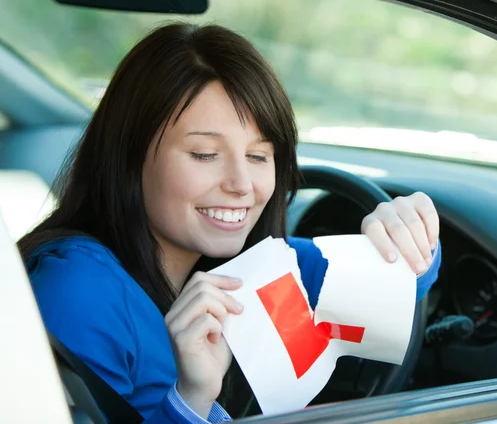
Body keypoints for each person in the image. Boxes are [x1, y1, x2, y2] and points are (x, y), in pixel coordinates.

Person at [19, 23, 442, 424]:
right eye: (205, 155)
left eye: (259, 157)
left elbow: (392, 281)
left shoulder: (246, 268)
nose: (242, 185)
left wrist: (409, 231)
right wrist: (189, 400)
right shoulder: (78, 293)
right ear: (129, 155)